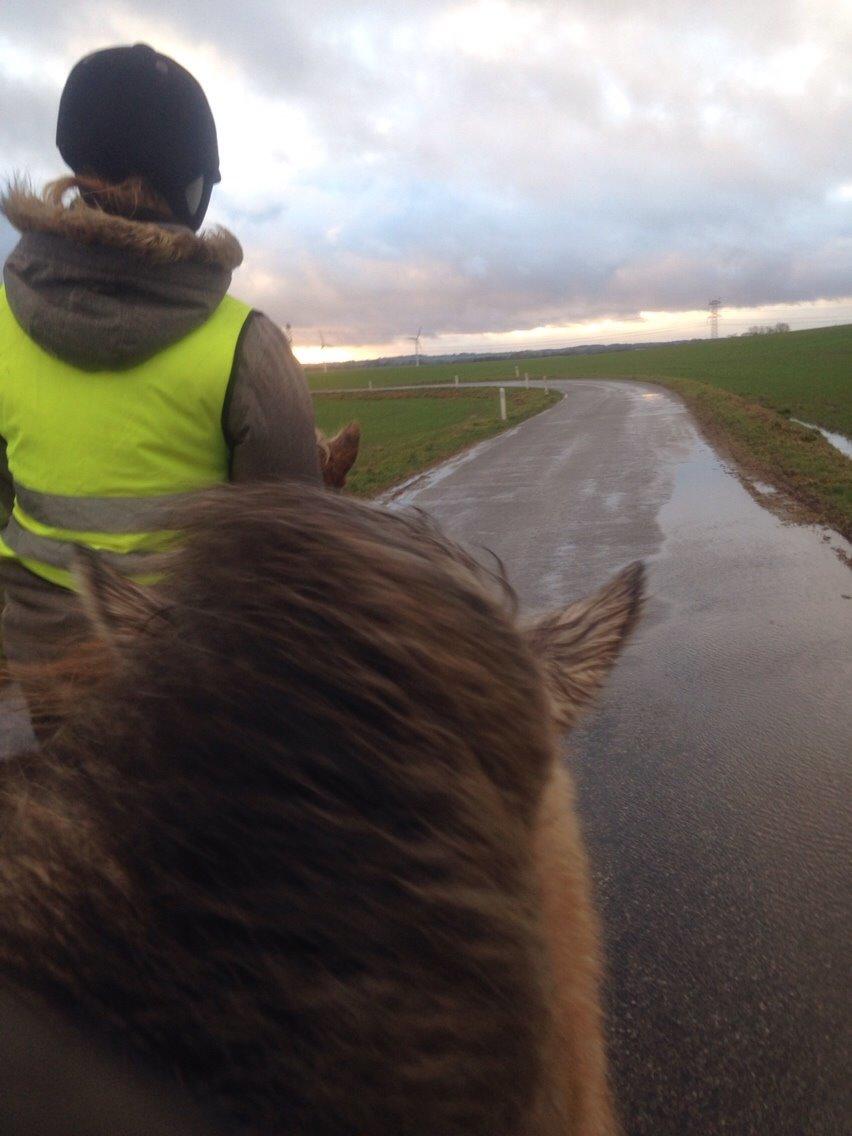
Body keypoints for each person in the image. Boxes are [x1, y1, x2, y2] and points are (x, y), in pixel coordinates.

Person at [0, 43, 321, 700]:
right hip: (194, 687)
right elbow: (295, 562)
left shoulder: (4, 324)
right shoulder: (247, 346)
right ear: (191, 190)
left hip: (46, 659)